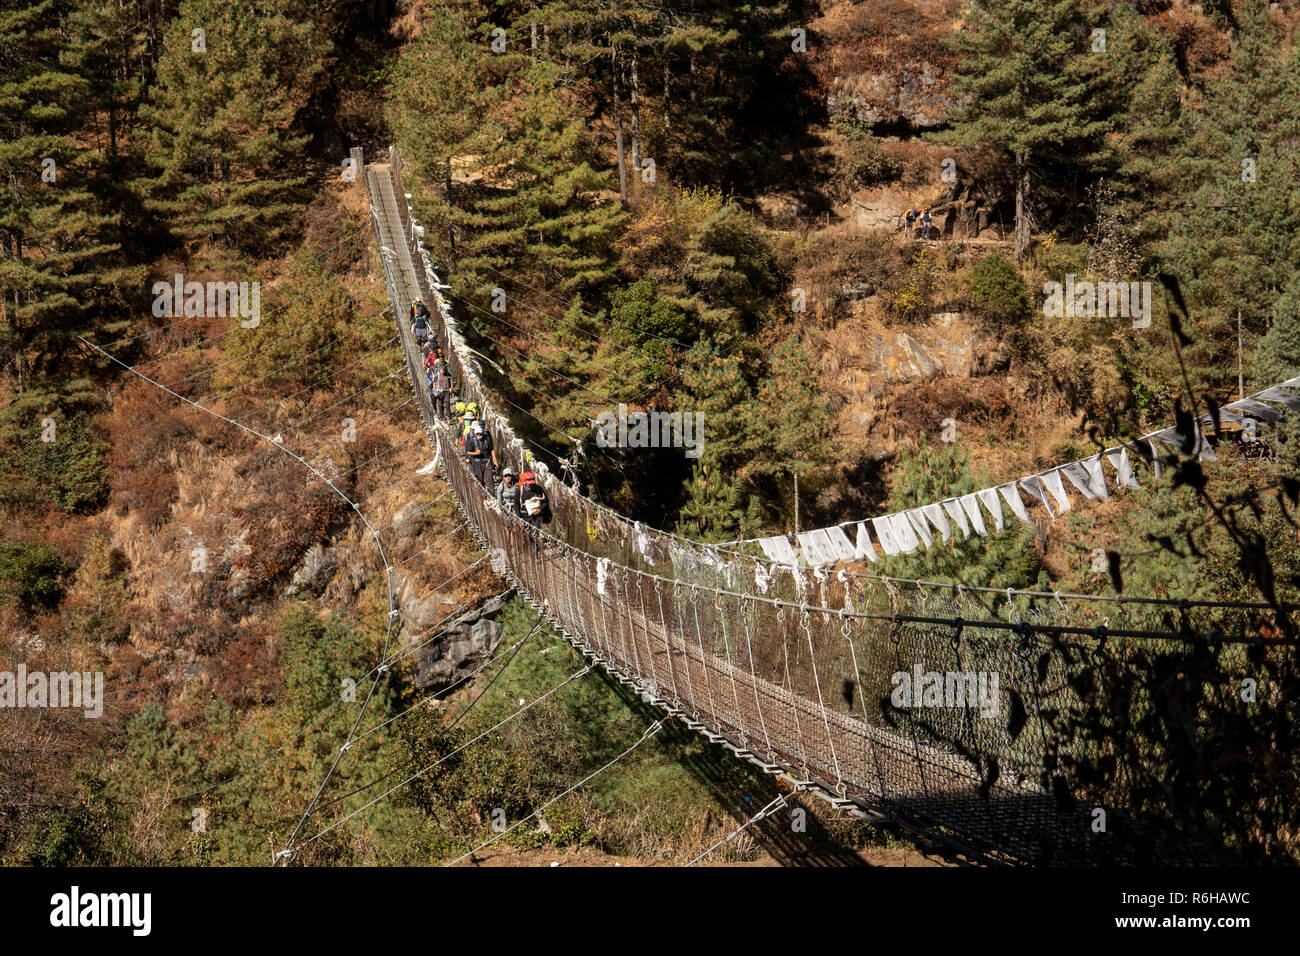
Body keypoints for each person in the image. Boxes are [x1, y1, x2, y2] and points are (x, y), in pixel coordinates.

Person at [516, 470, 551, 555]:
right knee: (527, 534)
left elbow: (546, 502)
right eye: (529, 483)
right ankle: (530, 548)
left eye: (532, 483)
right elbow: (516, 504)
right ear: (526, 482)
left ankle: (535, 552)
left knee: (534, 533)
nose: (531, 485)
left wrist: (540, 509)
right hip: (525, 516)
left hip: (537, 516)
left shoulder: (539, 489)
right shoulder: (519, 490)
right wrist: (519, 518)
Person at [463, 419, 495, 489]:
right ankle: (482, 497)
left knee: (490, 480)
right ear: (475, 434)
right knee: (479, 481)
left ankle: (492, 497)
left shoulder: (487, 439)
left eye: (480, 433)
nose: (479, 435)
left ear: (482, 433)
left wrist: (495, 461)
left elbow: (491, 449)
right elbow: (467, 452)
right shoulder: (470, 441)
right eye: (477, 434)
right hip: (477, 463)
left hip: (487, 462)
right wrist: (475, 453)